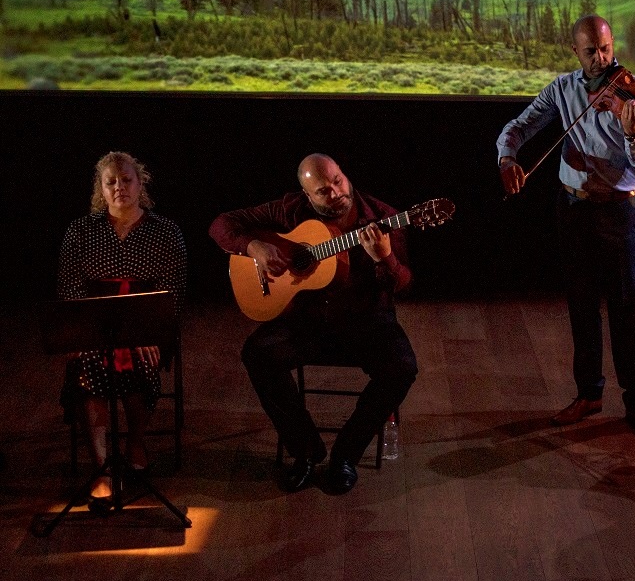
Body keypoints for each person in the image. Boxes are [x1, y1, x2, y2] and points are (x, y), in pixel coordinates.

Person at [209, 154, 418, 494]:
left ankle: (346, 455)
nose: (336, 192)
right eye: (323, 191)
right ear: (307, 195)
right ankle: (305, 450)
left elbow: (405, 285)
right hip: (306, 321)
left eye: (339, 180)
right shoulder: (290, 210)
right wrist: (254, 247)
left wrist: (386, 258)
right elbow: (220, 225)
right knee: (257, 354)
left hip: (364, 321)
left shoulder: (384, 218)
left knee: (402, 369)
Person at [497, 14, 635, 440]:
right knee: (582, 305)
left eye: (606, 48)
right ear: (575, 51)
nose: (601, 58)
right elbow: (519, 127)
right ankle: (588, 393)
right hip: (573, 208)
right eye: (591, 51)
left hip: (619, 209)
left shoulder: (633, 92)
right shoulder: (563, 89)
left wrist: (631, 134)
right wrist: (507, 158)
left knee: (625, 306)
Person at [57, 151, 187, 500]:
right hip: (96, 327)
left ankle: (136, 443)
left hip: (147, 327)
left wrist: (151, 334)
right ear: (101, 188)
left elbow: (173, 293)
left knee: (140, 363)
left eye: (126, 180)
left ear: (139, 182)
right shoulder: (81, 230)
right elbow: (70, 288)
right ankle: (101, 466)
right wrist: (83, 333)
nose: (119, 188)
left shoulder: (165, 231)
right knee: (87, 372)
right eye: (110, 182)